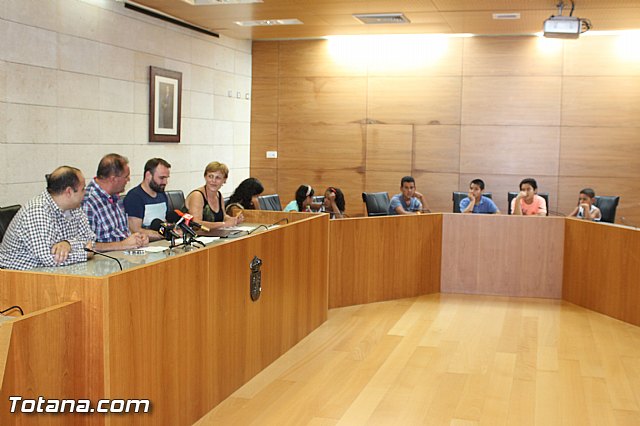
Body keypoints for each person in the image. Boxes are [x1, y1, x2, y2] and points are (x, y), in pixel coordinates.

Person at [0, 166, 96, 270]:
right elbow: (49, 259)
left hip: (52, 271)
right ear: (69, 192)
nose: (85, 193)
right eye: (83, 189)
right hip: (17, 275)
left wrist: (68, 244)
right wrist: (85, 254)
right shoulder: (37, 210)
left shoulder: (75, 207)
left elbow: (91, 241)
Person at [82, 154, 149, 250]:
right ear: (113, 179)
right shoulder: (88, 202)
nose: (128, 179)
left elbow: (121, 233)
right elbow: (85, 246)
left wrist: (138, 238)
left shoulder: (115, 197)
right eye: (126, 176)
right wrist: (122, 245)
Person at [185, 161, 244, 229]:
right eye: (210, 176)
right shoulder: (197, 195)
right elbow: (196, 223)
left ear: (224, 180)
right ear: (205, 177)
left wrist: (233, 220)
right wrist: (224, 224)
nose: (213, 180)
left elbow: (223, 217)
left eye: (218, 178)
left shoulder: (219, 195)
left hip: (213, 234)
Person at [123, 158, 171, 241]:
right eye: (162, 178)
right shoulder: (134, 197)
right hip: (144, 244)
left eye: (167, 178)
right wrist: (163, 234)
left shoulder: (162, 194)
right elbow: (135, 230)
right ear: (148, 175)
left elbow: (165, 222)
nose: (165, 182)